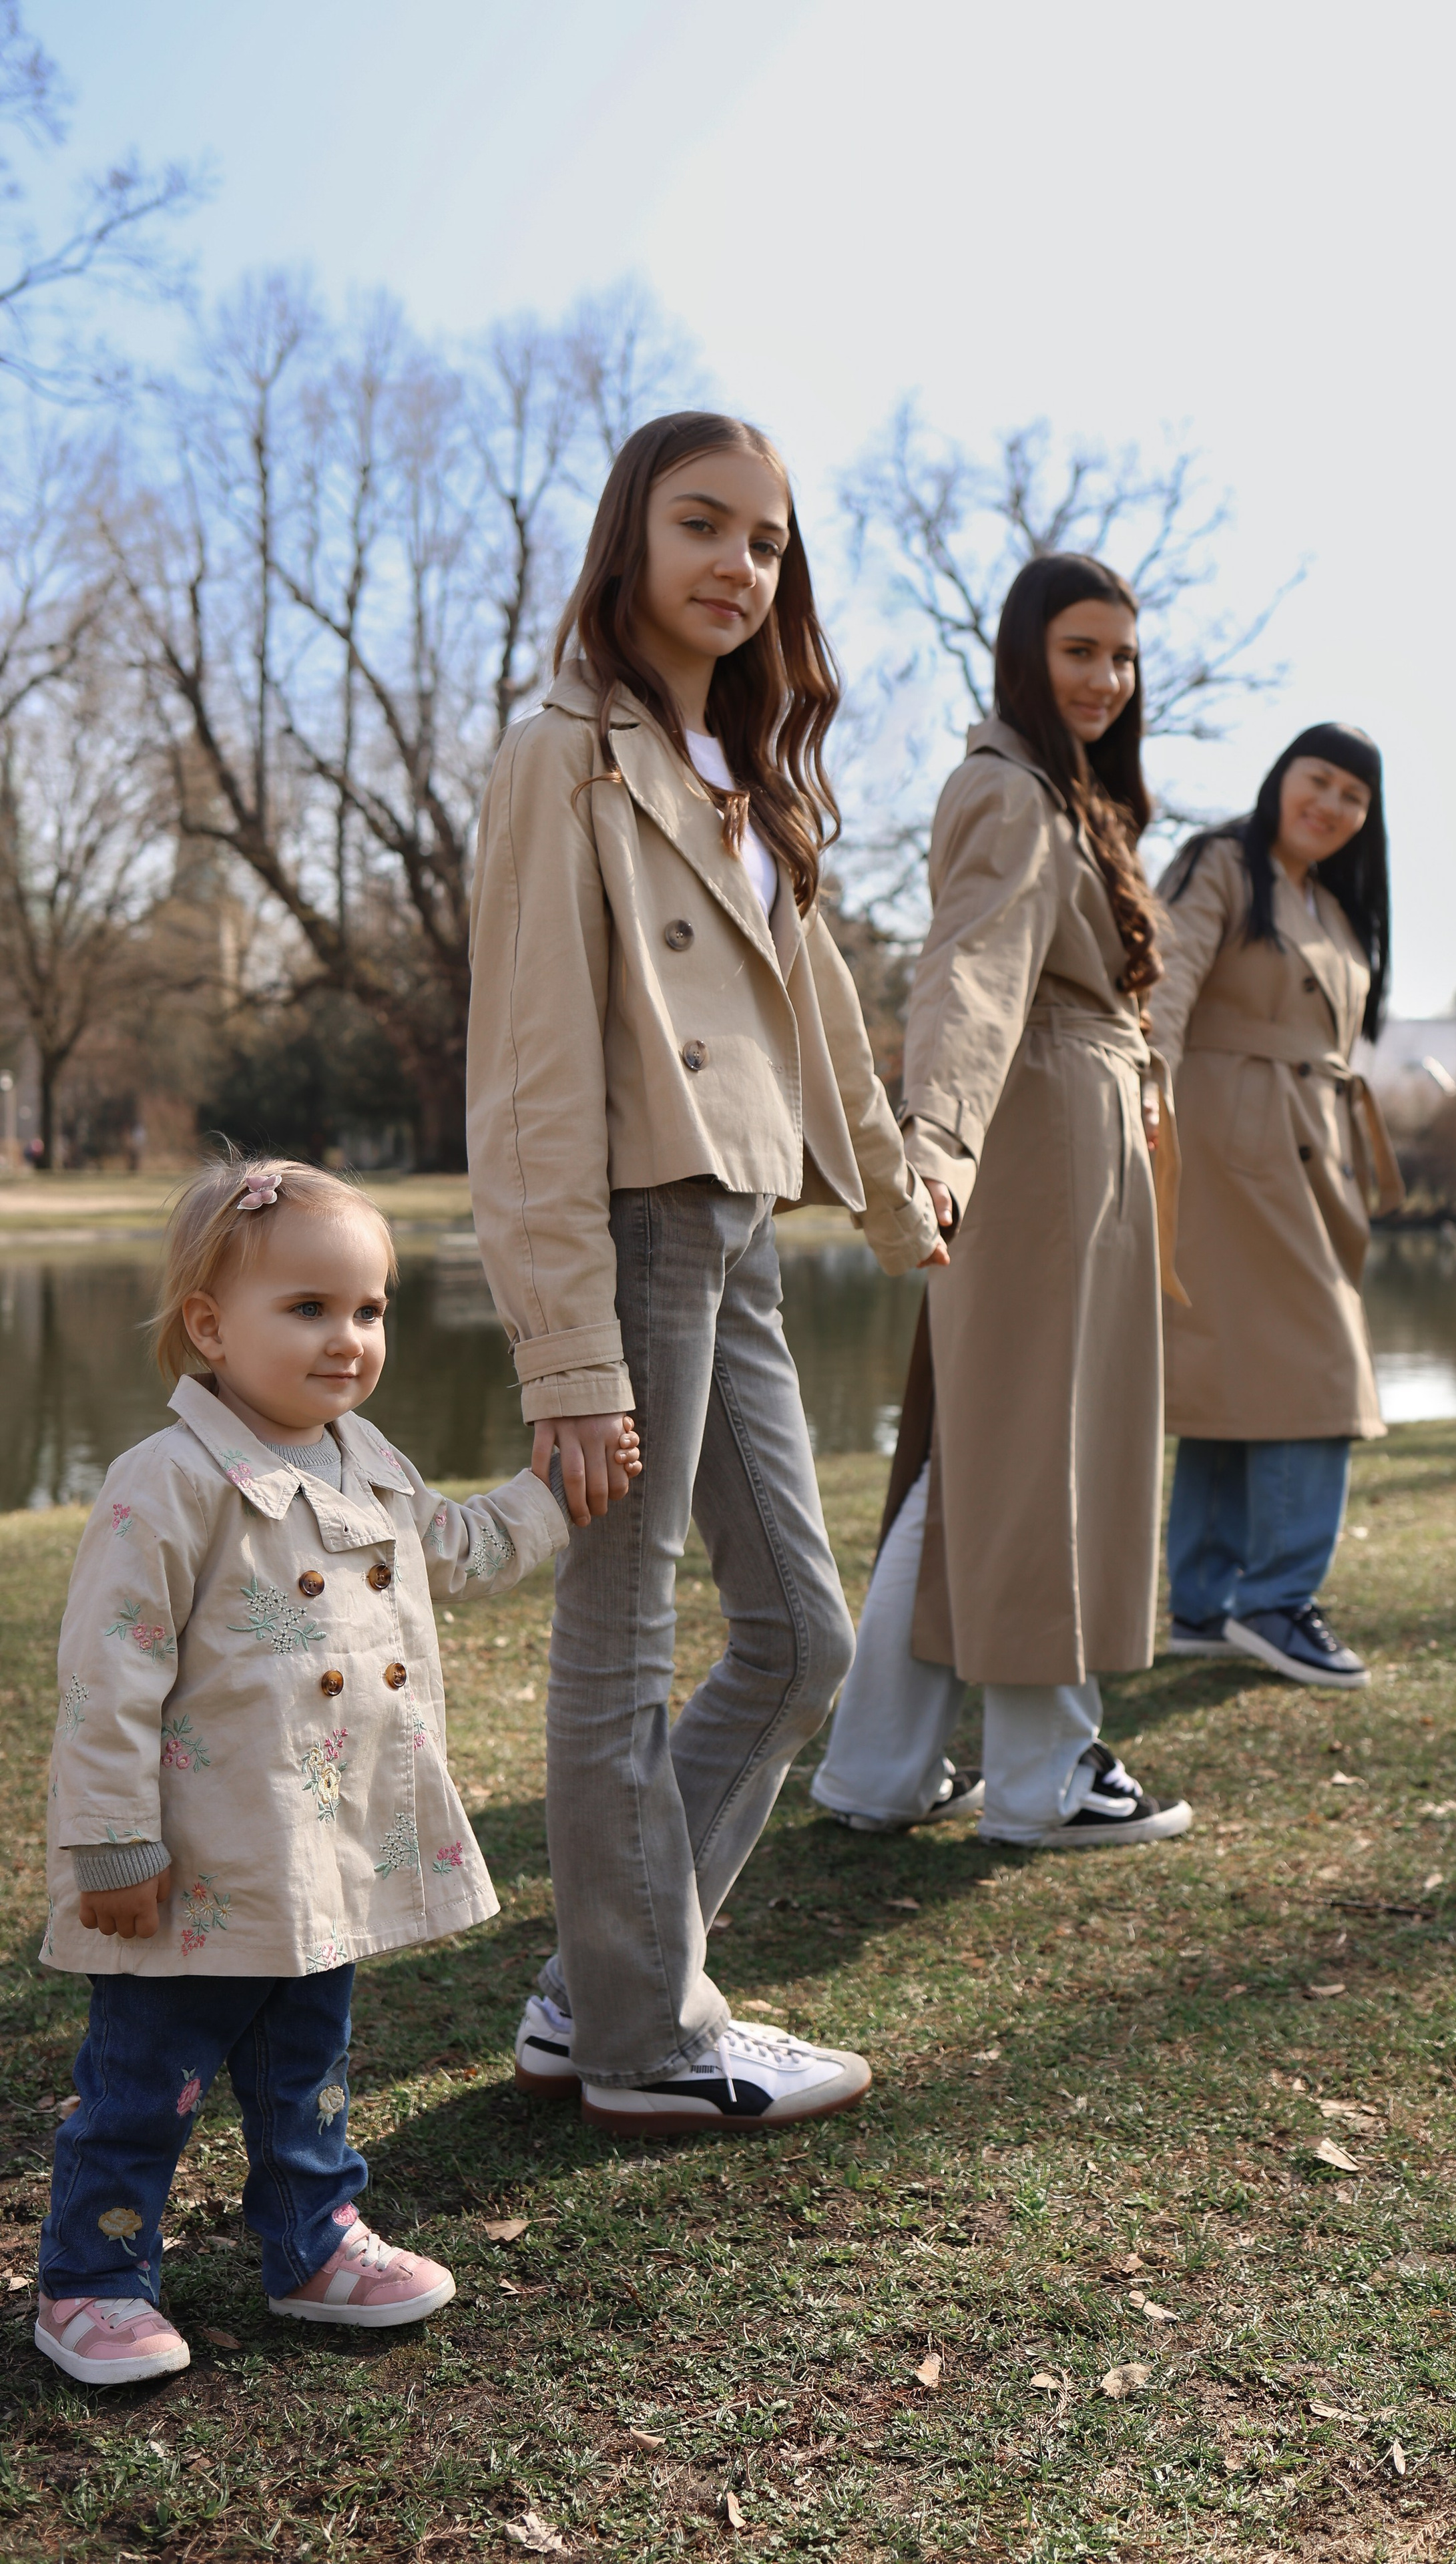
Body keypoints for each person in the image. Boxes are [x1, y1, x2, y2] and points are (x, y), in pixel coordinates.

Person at [465, 411, 945, 2135]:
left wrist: (896, 1207)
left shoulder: (745, 775)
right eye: (704, 525)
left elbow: (817, 1026)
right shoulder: (564, 756)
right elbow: (526, 1077)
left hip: (741, 1227)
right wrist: (565, 1361)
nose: (738, 565)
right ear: (630, 539)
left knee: (805, 1636)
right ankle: (644, 2039)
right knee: (620, 1636)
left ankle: (593, 1977)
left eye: (767, 543)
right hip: (638, 1225)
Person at [33, 1155, 576, 2387]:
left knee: (308, 2072)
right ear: (209, 1328)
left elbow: (462, 1545)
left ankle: (314, 2240)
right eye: (310, 1309)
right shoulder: (167, 1485)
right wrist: (114, 1846)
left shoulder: (365, 1456)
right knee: (142, 2087)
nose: (349, 1339)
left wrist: (552, 1494)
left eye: (370, 1310)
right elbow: (107, 1680)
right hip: (193, 1869)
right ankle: (94, 2280)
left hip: (317, 1847)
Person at [809, 554, 1194, 1850]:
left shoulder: (1068, 795)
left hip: (1070, 1138)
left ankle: (875, 1766)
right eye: (1079, 651)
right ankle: (1042, 1777)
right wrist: (939, 1147)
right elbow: (969, 977)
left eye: (1121, 658)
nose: (1104, 679)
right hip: (1036, 1143)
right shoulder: (1008, 790)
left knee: (975, 1452)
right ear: (1023, 655)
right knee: (1044, 1454)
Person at [1147, 724, 1403, 1689]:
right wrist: (1147, 1091)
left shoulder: (1332, 904)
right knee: (1319, 1361)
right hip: (1230, 1140)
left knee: (1235, 1370)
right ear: (1281, 777)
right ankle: (1277, 1599)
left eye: (1353, 796)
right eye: (1318, 780)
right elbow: (1164, 981)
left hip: (1313, 1146)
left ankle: (1205, 1604)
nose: (1331, 805)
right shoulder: (1224, 862)